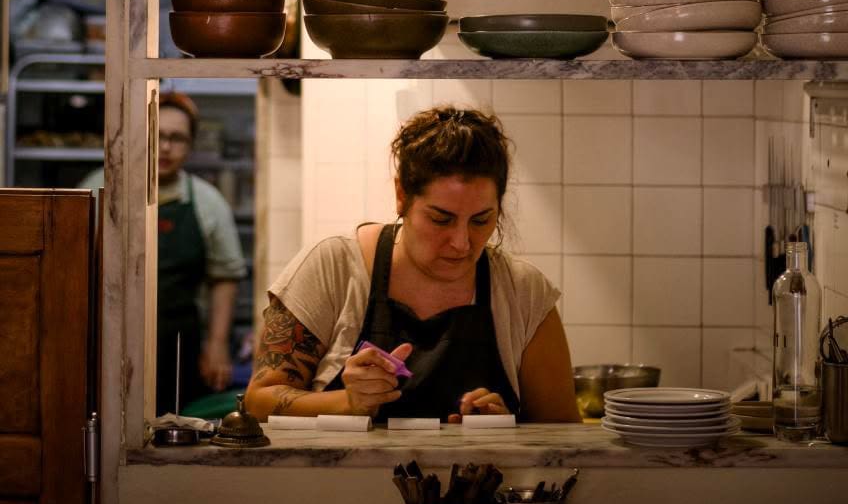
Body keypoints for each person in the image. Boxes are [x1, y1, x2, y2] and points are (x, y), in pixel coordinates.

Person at [245, 105, 580, 423]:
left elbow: (562, 435)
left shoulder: (524, 292)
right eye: (440, 218)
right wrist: (347, 403)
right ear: (402, 196)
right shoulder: (332, 267)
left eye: (481, 220)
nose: (462, 243)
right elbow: (259, 402)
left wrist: (506, 427)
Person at [81, 91, 247, 415]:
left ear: (191, 145)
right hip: (104, 342)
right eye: (158, 135)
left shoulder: (207, 202)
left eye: (178, 138)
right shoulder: (98, 189)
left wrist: (217, 345)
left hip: (179, 348)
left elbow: (224, 277)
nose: (166, 147)